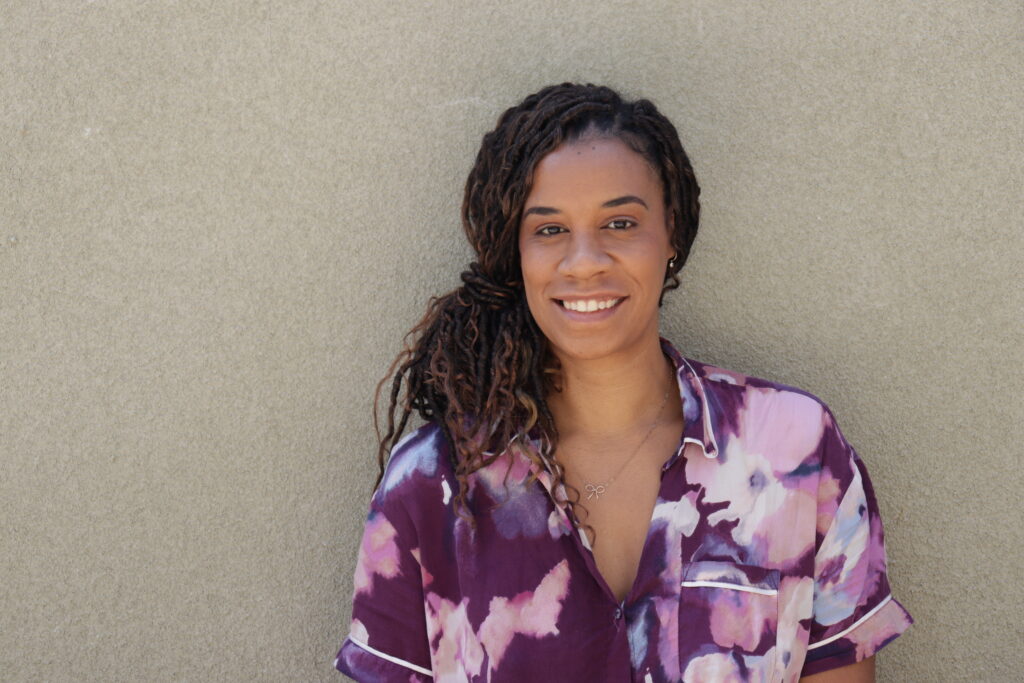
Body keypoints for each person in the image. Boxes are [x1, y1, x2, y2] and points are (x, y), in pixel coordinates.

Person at [332, 83, 912, 682]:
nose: (584, 261)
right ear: (516, 255)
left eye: (619, 222)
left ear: (673, 235)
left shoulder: (795, 450)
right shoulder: (433, 484)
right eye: (549, 230)